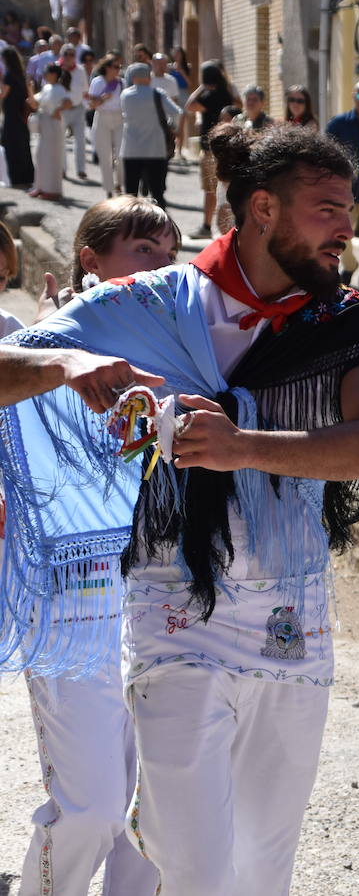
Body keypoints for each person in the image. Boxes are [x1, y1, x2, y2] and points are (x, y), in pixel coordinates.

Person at [0, 122, 359, 895]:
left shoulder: (348, 323)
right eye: (325, 210)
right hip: (171, 613)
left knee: (259, 873)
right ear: (262, 208)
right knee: (193, 868)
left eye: (349, 215)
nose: (344, 232)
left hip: (295, 620)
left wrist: (241, 444)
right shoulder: (142, 306)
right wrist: (65, 360)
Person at [12, 197, 178, 896]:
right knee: (91, 806)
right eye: (144, 252)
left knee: (155, 810)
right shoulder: (39, 350)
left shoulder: (184, 347)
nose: (161, 270)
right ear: (91, 260)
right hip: (69, 601)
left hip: (158, 594)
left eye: (170, 256)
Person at [325, 79, 359, 298]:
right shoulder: (339, 123)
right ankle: (349, 266)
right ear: (353, 96)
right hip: (345, 192)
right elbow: (326, 150)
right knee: (342, 236)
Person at [185, 60, 240, 237]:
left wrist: (201, 87)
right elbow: (239, 103)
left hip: (210, 149)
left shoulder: (208, 96)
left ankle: (207, 226)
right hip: (228, 146)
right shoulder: (228, 94)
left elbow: (189, 105)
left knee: (210, 190)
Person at [118, 62, 180, 208]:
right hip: (155, 148)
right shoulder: (158, 94)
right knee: (157, 192)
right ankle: (160, 223)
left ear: (133, 78)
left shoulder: (125, 95)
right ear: (148, 77)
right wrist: (171, 124)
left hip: (131, 149)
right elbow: (177, 112)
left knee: (130, 193)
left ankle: (129, 223)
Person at [30, 62, 72, 201]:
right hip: (44, 124)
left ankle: (52, 190)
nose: (45, 75)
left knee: (52, 157)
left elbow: (68, 102)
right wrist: (29, 89)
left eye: (47, 72)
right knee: (40, 155)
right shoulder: (46, 87)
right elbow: (34, 103)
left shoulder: (60, 89)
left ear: (54, 74)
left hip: (54, 125)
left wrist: (58, 110)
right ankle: (40, 186)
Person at [86, 53, 124, 197]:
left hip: (119, 118)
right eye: (115, 67)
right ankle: (109, 189)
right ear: (107, 68)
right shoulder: (98, 82)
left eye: (119, 67)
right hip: (102, 117)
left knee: (121, 154)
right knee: (105, 155)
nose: (118, 70)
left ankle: (120, 183)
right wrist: (102, 99)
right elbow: (91, 104)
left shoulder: (122, 83)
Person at [1, 46, 36, 191]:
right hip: (21, 115)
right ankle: (27, 176)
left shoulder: (9, 76)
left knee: (11, 146)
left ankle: (15, 177)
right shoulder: (21, 75)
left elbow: (3, 94)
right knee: (23, 145)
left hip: (11, 115)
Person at [58, 44, 87, 179]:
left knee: (80, 140)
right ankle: (62, 169)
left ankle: (81, 169)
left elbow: (85, 90)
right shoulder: (56, 69)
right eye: (67, 54)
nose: (69, 57)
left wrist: (86, 105)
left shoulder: (80, 70)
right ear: (62, 55)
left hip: (78, 108)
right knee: (60, 141)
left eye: (72, 55)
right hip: (61, 110)